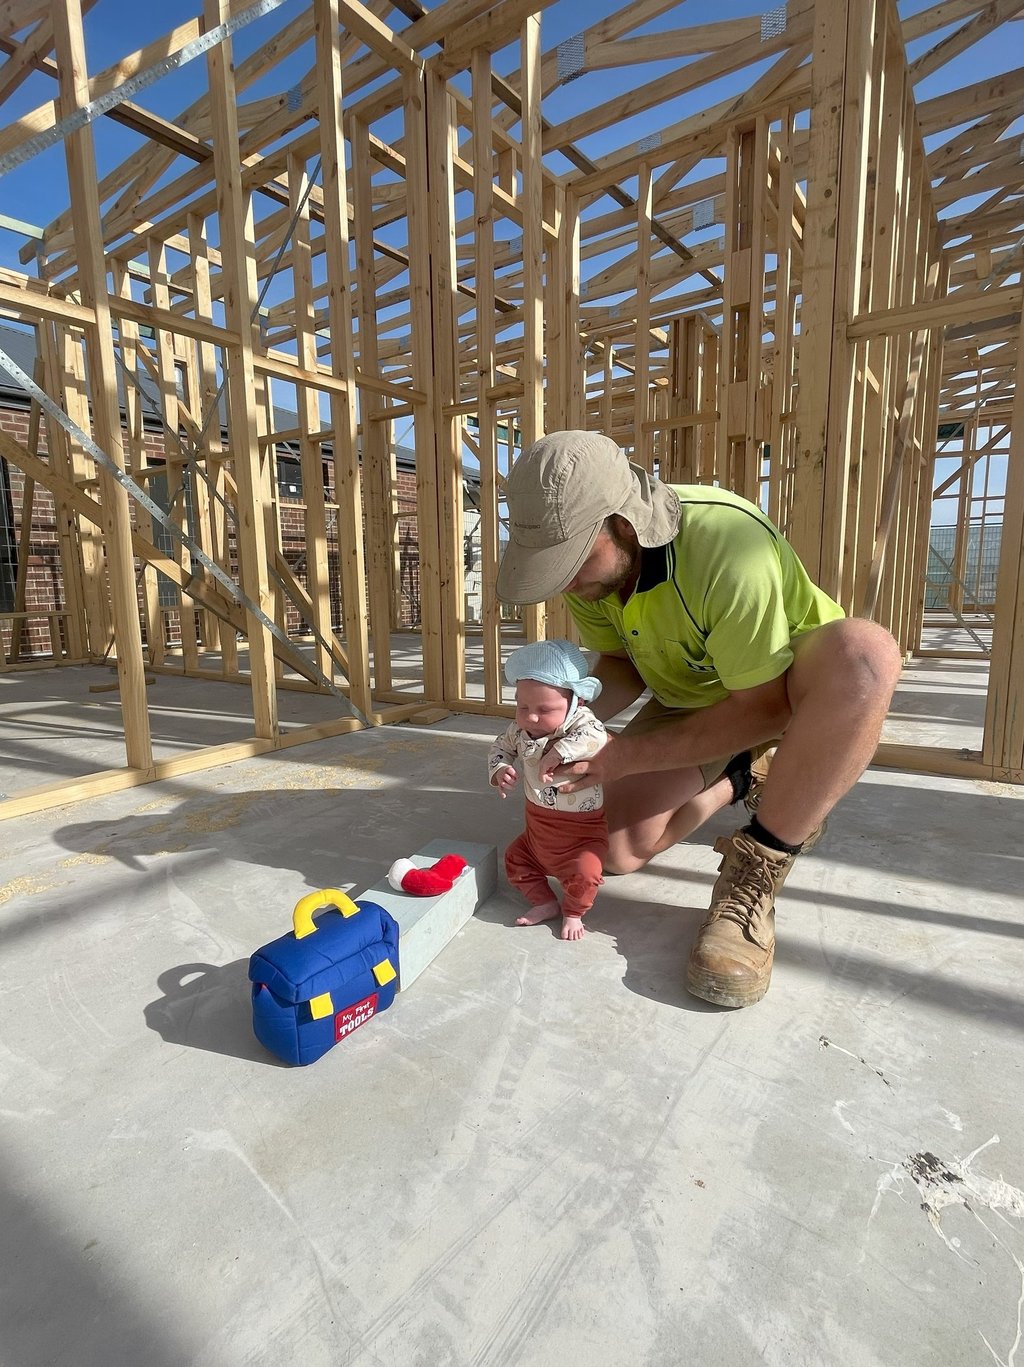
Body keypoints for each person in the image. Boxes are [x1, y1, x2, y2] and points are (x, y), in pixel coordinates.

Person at [495, 431, 903, 1006]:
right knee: (613, 850)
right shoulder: (596, 573)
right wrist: (564, 724)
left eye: (575, 561)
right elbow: (618, 663)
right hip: (695, 698)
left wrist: (625, 756)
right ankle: (744, 774)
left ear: (624, 525)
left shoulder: (727, 543)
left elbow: (761, 706)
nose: (567, 582)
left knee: (866, 655)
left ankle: (758, 871)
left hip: (789, 694)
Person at [488, 640, 609, 942]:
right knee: (516, 859)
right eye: (523, 707)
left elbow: (597, 736)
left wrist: (560, 752)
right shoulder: (520, 731)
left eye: (544, 710)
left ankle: (573, 911)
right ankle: (544, 901)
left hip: (581, 833)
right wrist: (500, 770)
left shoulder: (582, 723)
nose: (531, 717)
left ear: (574, 703)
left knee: (586, 874)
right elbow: (500, 747)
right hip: (537, 831)